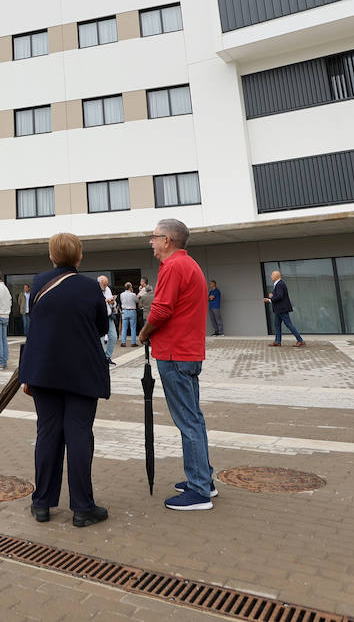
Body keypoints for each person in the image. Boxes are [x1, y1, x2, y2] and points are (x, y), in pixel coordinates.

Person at [20, 232, 111, 527]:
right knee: (80, 435)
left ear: (51, 255)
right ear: (79, 256)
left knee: (47, 433)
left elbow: (38, 322)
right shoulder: (90, 287)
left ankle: (42, 503)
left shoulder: (39, 283)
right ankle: (83, 507)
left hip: (44, 370)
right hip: (82, 371)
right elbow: (100, 326)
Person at [140, 218, 218, 512]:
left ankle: (199, 490)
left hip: (175, 354)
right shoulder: (191, 265)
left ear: (167, 241)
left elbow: (160, 310)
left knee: (187, 421)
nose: (151, 242)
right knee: (194, 418)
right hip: (188, 352)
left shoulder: (173, 266)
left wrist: (144, 332)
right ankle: (204, 478)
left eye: (154, 236)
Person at [264, 271, 304, 346]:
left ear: (277, 276)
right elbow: (279, 295)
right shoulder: (278, 284)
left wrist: (269, 300)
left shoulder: (280, 284)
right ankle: (277, 341)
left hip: (282, 309)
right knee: (277, 324)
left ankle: (300, 340)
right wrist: (273, 295)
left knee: (289, 324)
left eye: (272, 275)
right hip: (278, 309)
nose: (271, 276)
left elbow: (280, 296)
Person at [98, 276, 116, 364]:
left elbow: (112, 303)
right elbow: (95, 302)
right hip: (99, 317)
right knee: (100, 339)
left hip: (109, 316)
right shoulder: (95, 289)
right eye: (104, 284)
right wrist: (105, 300)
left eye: (106, 284)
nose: (105, 286)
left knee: (113, 337)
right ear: (100, 283)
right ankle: (100, 358)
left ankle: (107, 356)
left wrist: (112, 302)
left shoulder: (107, 289)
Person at [119, 281, 139, 347]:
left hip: (124, 311)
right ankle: (133, 342)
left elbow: (122, 301)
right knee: (133, 328)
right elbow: (137, 301)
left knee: (124, 328)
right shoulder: (133, 294)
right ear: (130, 287)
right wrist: (133, 292)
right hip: (132, 311)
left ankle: (123, 342)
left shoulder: (121, 294)